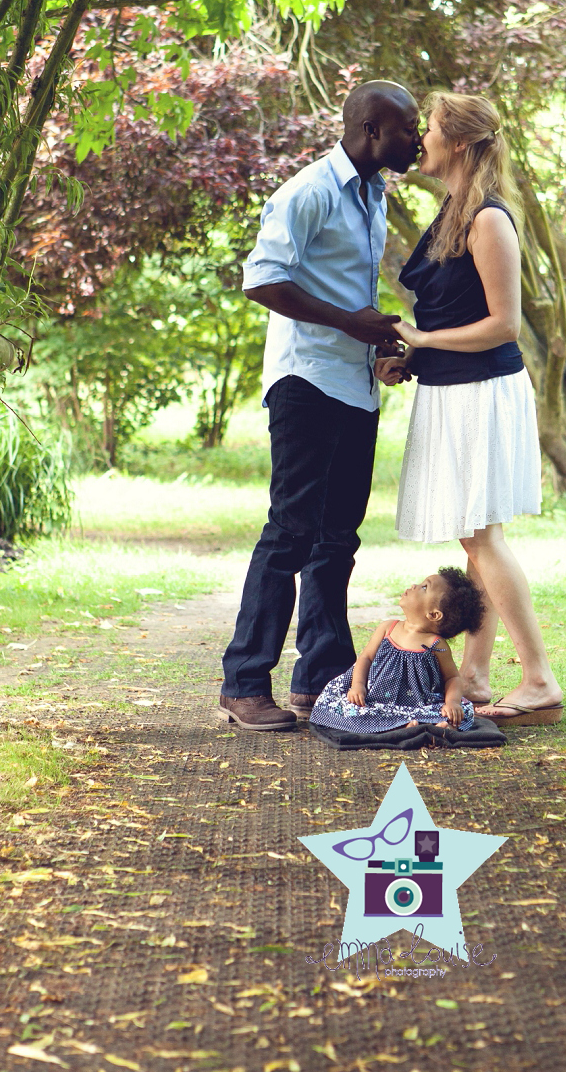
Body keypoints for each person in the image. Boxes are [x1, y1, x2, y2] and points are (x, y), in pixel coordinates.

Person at [219, 80, 420, 732]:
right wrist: (350, 324)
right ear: (371, 130)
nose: (416, 139)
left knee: (337, 538)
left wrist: (380, 346)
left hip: (356, 385)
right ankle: (245, 682)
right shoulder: (306, 192)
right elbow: (263, 280)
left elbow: (350, 293)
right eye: (407, 129)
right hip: (306, 380)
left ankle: (319, 679)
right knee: (291, 531)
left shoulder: (374, 194)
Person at [376, 91, 563, 726]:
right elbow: (454, 314)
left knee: (483, 537)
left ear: (457, 142)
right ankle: (478, 675)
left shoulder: (488, 219)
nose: (417, 138)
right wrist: (413, 359)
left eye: (426, 128)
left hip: (483, 392)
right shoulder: (451, 215)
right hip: (449, 389)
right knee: (474, 536)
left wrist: (424, 341)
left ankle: (538, 679)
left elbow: (503, 325)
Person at [307, 568, 484, 738]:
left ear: (434, 614)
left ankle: (430, 725)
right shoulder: (387, 628)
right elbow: (366, 658)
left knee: (459, 711)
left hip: (418, 704)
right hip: (376, 700)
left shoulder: (435, 644)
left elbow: (452, 678)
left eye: (424, 587)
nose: (414, 585)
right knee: (347, 706)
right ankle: (406, 725)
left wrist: (451, 703)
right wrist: (357, 685)